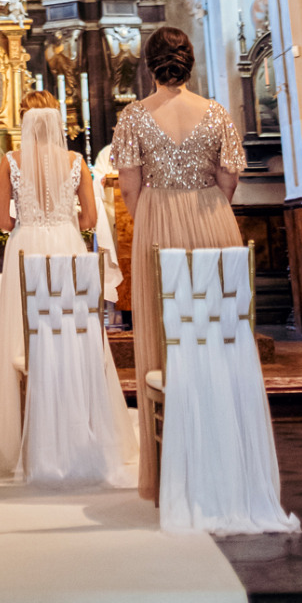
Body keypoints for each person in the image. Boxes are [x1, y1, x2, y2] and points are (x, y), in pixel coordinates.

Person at [109, 26, 246, 500]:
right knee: (218, 333)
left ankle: (174, 468)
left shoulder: (132, 117)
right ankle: (227, 457)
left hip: (158, 222)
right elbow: (230, 177)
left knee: (167, 334)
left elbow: (128, 188)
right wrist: (207, 205)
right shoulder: (217, 112)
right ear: (189, 62)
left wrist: (156, 213)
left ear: (149, 65)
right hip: (214, 221)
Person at [0, 91, 137, 482]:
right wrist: (63, 217)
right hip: (67, 247)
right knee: (75, 335)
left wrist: (29, 218)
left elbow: (3, 221)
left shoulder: (10, 162)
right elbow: (89, 217)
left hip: (26, 249)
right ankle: (81, 429)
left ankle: (28, 437)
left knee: (28, 339)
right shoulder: (76, 161)